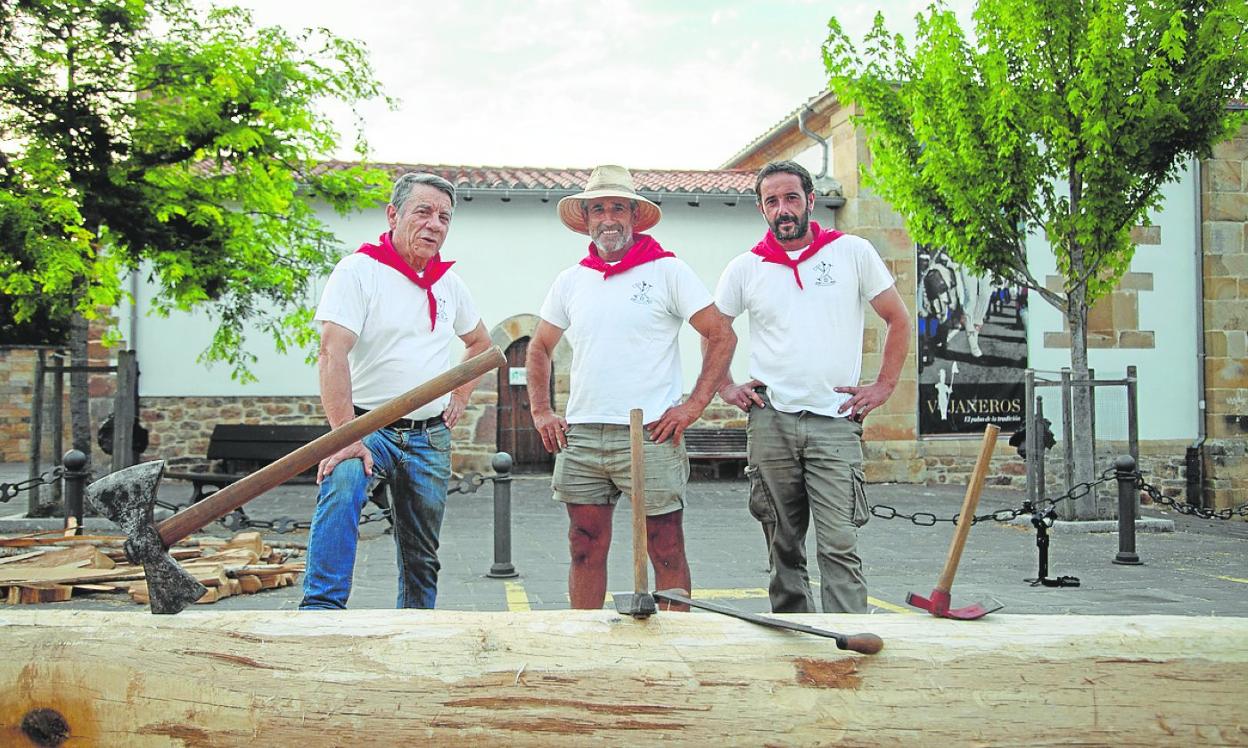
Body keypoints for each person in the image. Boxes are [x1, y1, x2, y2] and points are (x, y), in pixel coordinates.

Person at [525, 164, 736, 610]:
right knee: (584, 545)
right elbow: (539, 347)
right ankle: (586, 645)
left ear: (634, 216)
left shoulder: (668, 271)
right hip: (582, 435)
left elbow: (721, 334)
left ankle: (675, 645)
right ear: (585, 218)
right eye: (597, 208)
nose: (607, 218)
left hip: (649, 434)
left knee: (664, 546)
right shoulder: (571, 280)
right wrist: (542, 412)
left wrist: (694, 406)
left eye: (617, 207)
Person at [714, 160, 911, 614]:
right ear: (762, 209)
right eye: (772, 201)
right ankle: (793, 636)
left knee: (839, 540)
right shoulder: (746, 268)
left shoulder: (852, 253)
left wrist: (883, 386)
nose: (783, 209)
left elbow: (897, 319)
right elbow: (715, 329)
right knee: (781, 542)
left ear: (810, 200)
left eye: (791, 198)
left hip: (835, 421)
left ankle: (848, 635)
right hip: (771, 421)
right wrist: (725, 385)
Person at [300, 172, 492, 610]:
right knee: (343, 481)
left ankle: (417, 626)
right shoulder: (359, 271)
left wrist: (459, 397)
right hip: (369, 425)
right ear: (393, 215)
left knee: (422, 552)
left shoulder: (449, 284)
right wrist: (345, 436)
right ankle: (320, 614)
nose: (435, 224)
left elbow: (481, 346)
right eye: (423, 212)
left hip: (429, 438)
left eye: (444, 217)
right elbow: (332, 353)